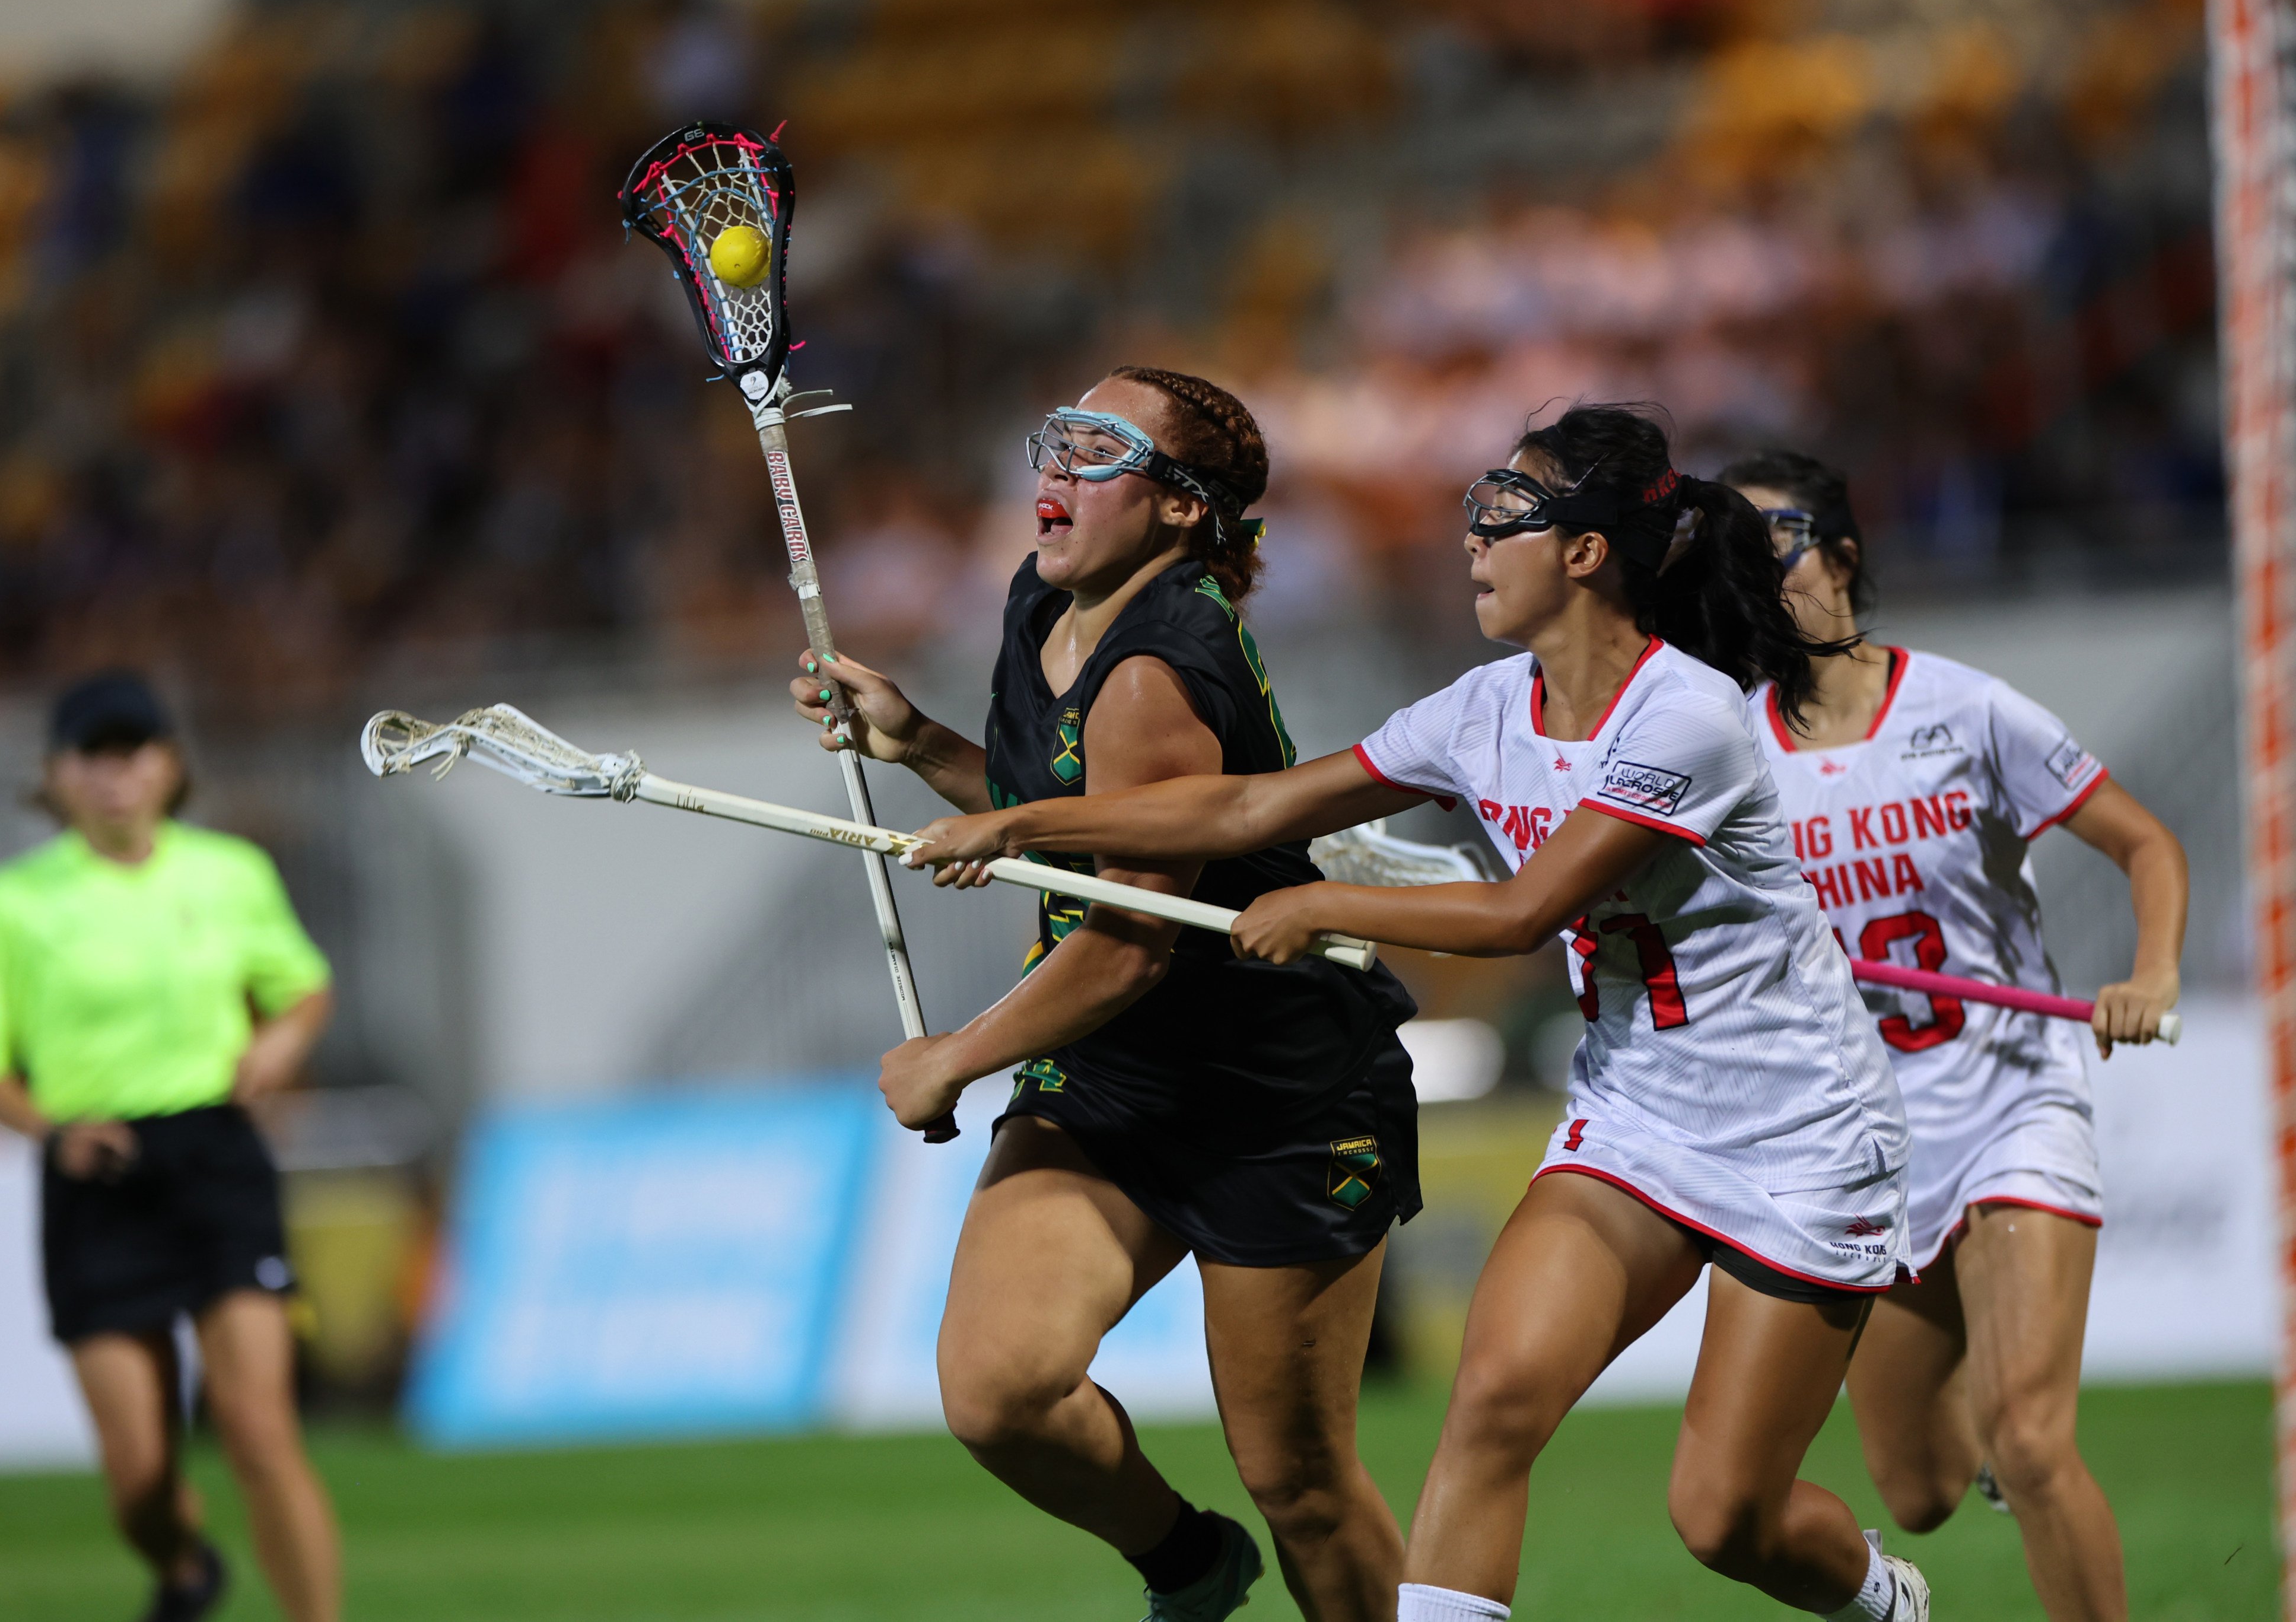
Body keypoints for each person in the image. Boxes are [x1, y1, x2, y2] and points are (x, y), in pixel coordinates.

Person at [905, 403, 1934, 1622]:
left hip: (1802, 1135)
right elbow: (1243, 812)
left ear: (1585, 552)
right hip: (1635, 1121)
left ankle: (1878, 1599)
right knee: (1491, 1407)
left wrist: (1323, 904)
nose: (1470, 540)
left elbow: (1520, 913)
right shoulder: (1481, 705)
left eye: (1502, 513)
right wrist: (1026, 818)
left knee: (1724, 1519)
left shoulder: (1684, 716)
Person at [786, 367, 1422, 1621]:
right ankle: (1186, 1563)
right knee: (997, 1387)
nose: (1053, 477)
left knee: (1295, 1476)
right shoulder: (1042, 602)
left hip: (1270, 1094)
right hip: (1116, 1075)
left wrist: (956, 1056)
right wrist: (913, 741)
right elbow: (1048, 816)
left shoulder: (1157, 668)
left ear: (1182, 510)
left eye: (1097, 451)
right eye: (1053, 443)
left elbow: (1126, 937)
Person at [1722, 449, 2186, 1622]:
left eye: (1770, 537)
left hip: (2011, 1100)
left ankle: (2019, 1440)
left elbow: (2145, 844)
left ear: (1840, 554)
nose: (1752, 566)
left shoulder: (1964, 708)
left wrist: (2150, 970)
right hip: (1869, 1142)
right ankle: (1964, 1470)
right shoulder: (1723, 750)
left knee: (2031, 1442)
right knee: (1915, 1486)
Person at [0, 672, 343, 1622]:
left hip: (214, 1153)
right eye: (95, 756)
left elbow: (303, 985)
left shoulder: (229, 873)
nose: (116, 776)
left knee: (259, 1430)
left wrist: (281, 1041)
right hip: (99, 1170)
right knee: (140, 1484)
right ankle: (180, 1563)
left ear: (170, 767)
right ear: (57, 776)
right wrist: (51, 1132)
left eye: (134, 753)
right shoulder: (18, 900)